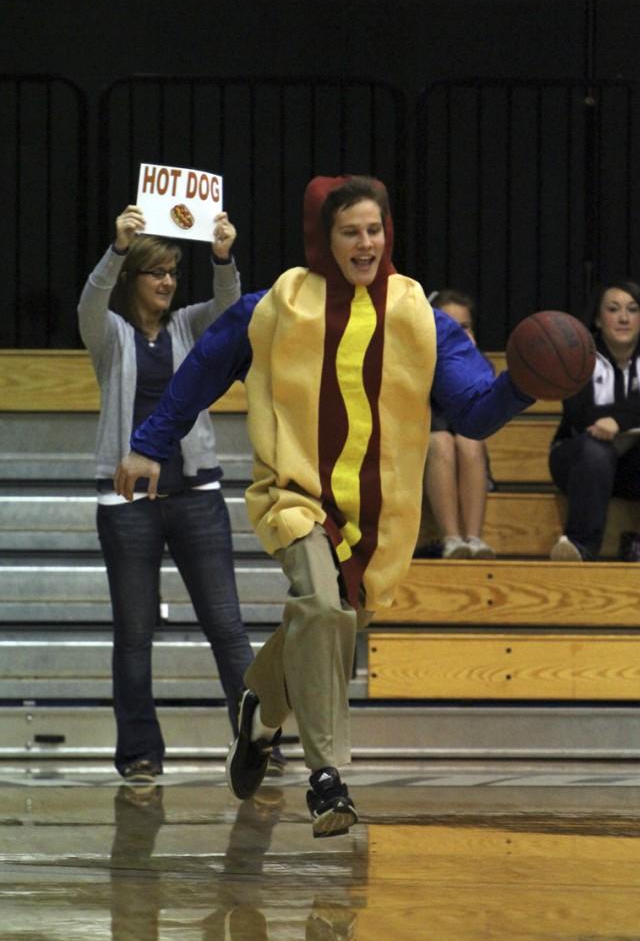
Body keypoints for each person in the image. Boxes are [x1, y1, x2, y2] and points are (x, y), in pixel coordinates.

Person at [113, 175, 533, 835]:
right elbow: (202, 372)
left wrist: (524, 384)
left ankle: (260, 710)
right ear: (322, 238)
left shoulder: (418, 314)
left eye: (375, 229)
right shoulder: (278, 304)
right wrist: (148, 445)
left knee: (329, 623)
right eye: (350, 231)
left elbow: (475, 416)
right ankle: (328, 779)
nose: (366, 242)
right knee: (318, 603)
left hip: (381, 514)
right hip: (296, 493)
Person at [78, 205, 283, 783]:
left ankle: (258, 742)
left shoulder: (191, 326)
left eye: (173, 271)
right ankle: (140, 754)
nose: (168, 281)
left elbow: (231, 309)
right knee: (134, 635)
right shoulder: (110, 333)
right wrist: (117, 247)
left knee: (226, 625)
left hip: (196, 496)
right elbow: (90, 303)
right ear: (132, 280)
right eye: (157, 271)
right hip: (127, 506)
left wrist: (222, 257)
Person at [549, 278, 640, 561]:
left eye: (632, 310)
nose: (623, 318)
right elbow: (580, 417)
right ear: (597, 317)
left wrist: (617, 420)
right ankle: (580, 548)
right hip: (578, 462)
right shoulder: (578, 354)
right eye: (613, 309)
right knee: (596, 448)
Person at [424, 289, 496, 559]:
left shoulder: (480, 367)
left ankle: (474, 539)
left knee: (469, 438)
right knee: (440, 440)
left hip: (465, 457)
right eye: (449, 328)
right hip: (420, 461)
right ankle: (452, 539)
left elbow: (482, 416)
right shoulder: (414, 366)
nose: (458, 335)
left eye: (464, 327)